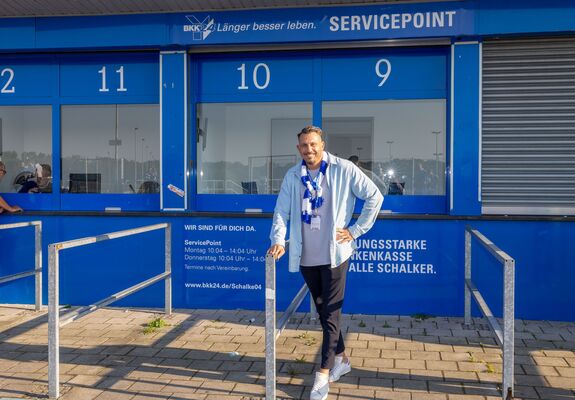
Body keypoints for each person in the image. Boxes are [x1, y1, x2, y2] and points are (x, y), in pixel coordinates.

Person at [268, 126, 383, 400]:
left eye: (314, 144)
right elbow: (281, 212)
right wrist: (279, 240)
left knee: (331, 314)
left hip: (335, 256)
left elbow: (375, 197)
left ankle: (322, 375)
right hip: (307, 256)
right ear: (299, 149)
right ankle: (341, 359)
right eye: (304, 146)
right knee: (323, 312)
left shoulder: (343, 169)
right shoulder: (293, 175)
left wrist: (355, 230)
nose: (309, 150)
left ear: (323, 144)